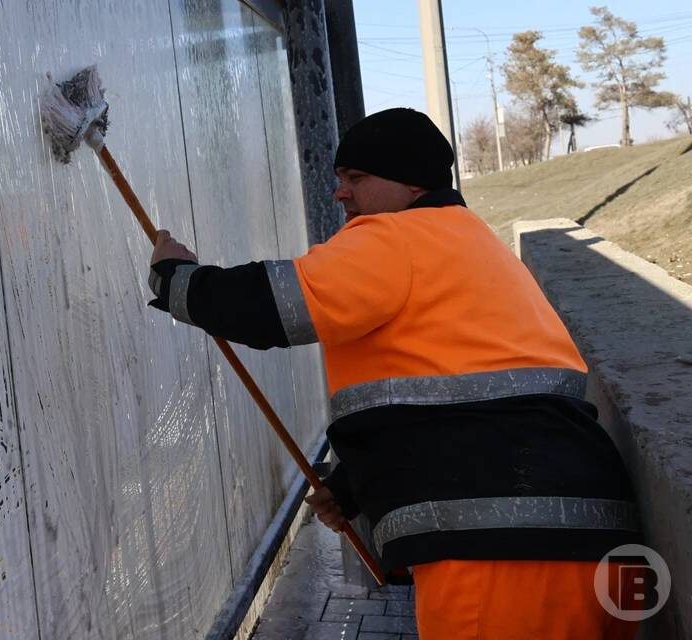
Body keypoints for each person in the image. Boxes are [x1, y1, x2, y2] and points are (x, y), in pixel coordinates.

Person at [146, 108, 641, 639]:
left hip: (501, 551)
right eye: (340, 178)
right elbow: (460, 396)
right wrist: (355, 483)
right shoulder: (467, 240)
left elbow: (274, 306)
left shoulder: (396, 238)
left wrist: (176, 276)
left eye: (356, 178)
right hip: (588, 542)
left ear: (412, 183)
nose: (341, 193)